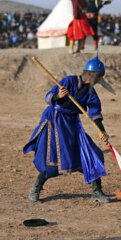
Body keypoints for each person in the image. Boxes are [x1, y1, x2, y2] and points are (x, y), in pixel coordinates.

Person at [23, 53, 111, 203]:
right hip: (55, 120)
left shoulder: (91, 92)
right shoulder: (69, 81)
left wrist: (101, 131)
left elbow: (95, 112)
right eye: (99, 77)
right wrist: (58, 96)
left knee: (93, 153)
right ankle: (36, 187)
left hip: (72, 124)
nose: (99, 81)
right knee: (52, 159)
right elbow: (49, 97)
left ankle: (97, 191)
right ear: (91, 75)